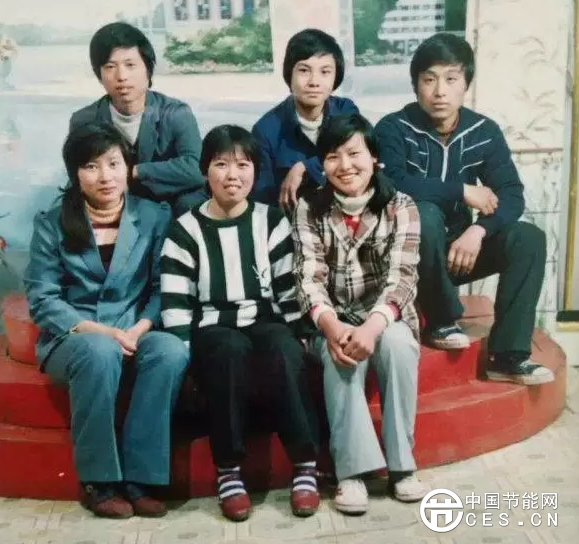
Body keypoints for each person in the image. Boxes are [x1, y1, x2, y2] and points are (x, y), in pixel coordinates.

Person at [23, 123, 188, 519]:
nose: (105, 176)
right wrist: (101, 331)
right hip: (75, 337)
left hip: (134, 328)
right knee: (98, 351)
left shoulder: (153, 216)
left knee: (170, 350)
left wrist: (139, 328)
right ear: (75, 173)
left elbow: (161, 287)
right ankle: (98, 482)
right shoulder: (52, 222)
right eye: (91, 166)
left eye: (114, 164)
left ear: (127, 166)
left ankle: (141, 478)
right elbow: (43, 298)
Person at [160, 125, 320, 522]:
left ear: (255, 171)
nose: (233, 175)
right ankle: (228, 470)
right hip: (213, 325)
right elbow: (176, 300)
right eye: (221, 164)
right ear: (205, 171)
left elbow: (287, 287)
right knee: (228, 350)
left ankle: (305, 465)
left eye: (243, 164)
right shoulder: (185, 229)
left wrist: (300, 333)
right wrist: (183, 351)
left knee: (283, 347)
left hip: (264, 318)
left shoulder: (271, 221)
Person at [375, 33, 553, 386]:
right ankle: (441, 320)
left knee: (528, 238)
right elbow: (392, 184)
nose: (440, 91)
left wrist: (479, 230)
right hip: (406, 257)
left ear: (465, 84)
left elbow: (511, 194)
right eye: (429, 79)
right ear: (416, 85)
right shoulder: (393, 128)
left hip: (459, 251)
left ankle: (508, 356)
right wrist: (462, 190)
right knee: (423, 213)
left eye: (451, 78)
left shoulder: (483, 131)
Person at [292, 113, 427, 516]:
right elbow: (308, 277)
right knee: (341, 355)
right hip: (331, 318)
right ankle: (351, 473)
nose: (345, 165)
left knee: (399, 346)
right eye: (333, 156)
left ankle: (402, 466)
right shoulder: (309, 207)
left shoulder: (401, 206)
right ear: (322, 164)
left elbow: (403, 278)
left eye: (354, 154)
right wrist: (331, 326)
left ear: (374, 158)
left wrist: (372, 326)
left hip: (386, 316)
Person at [69, 22, 205, 215]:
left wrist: (135, 171)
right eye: (110, 66)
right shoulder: (84, 120)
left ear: (147, 70)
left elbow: (197, 169)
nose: (121, 76)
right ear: (99, 74)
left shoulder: (176, 113)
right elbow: (78, 177)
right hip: (112, 206)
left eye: (130, 65)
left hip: (170, 205)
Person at [251, 28, 359, 210]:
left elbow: (362, 158)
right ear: (289, 74)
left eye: (325, 72)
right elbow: (262, 200)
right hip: (291, 221)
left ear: (336, 77)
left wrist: (306, 167)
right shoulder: (266, 130)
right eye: (304, 70)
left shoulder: (346, 111)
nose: (314, 82)